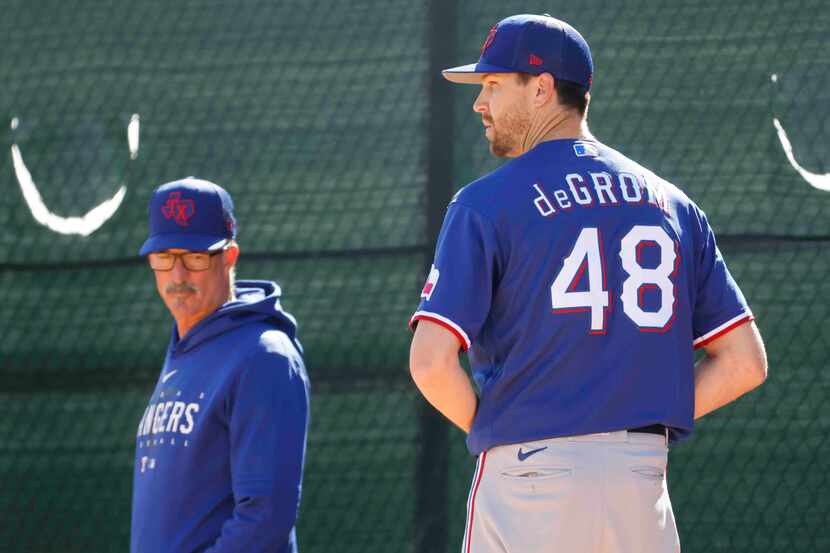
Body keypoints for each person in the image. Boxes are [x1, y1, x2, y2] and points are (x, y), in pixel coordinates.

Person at [408, 14, 767, 553]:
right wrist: (630, 415)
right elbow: (744, 363)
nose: (480, 103)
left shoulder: (485, 204)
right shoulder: (672, 205)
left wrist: (502, 423)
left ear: (542, 90)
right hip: (640, 478)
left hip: (530, 472)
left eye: (492, 85)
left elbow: (430, 362)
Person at [131, 177, 310, 553]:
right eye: (164, 258)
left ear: (229, 257)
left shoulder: (264, 355)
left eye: (195, 257)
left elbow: (265, 518)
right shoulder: (185, 347)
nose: (177, 276)